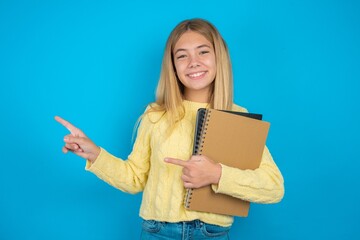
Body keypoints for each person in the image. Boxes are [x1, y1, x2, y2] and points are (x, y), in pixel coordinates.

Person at [55, 18, 284, 240]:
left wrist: (216, 174)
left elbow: (273, 187)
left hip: (211, 234)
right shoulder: (155, 115)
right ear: (173, 66)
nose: (193, 62)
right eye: (182, 56)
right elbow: (134, 178)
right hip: (157, 232)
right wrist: (94, 154)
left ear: (219, 57)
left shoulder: (239, 118)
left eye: (203, 51)